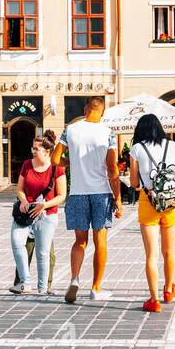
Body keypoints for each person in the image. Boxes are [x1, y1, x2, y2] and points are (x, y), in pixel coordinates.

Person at [53, 96, 121, 304]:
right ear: (102, 112)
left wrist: (72, 161)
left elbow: (55, 160)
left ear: (85, 109)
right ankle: (95, 288)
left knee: (79, 241)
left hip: (77, 193)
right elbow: (112, 169)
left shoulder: (70, 130)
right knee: (100, 241)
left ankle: (74, 279)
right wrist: (117, 199)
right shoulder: (108, 133)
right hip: (101, 192)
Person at [130, 113, 175, 312]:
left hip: (148, 201)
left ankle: (154, 300)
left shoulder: (137, 148)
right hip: (171, 201)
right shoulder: (174, 146)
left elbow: (134, 183)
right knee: (169, 251)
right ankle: (168, 289)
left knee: (151, 255)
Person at [8, 132, 65, 295]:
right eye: (32, 148)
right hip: (25, 213)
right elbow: (19, 189)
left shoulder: (57, 168)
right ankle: (25, 282)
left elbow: (62, 195)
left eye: (36, 149)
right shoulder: (27, 164)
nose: (33, 151)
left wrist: (44, 205)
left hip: (46, 215)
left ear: (47, 151)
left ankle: (43, 288)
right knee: (17, 242)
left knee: (43, 253)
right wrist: (24, 200)